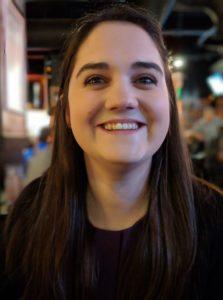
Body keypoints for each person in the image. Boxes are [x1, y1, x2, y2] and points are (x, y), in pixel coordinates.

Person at [1, 4, 223, 300]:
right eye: (96, 79)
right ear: (66, 110)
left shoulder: (215, 221)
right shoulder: (29, 215)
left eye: (145, 79)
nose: (122, 99)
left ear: (169, 105)